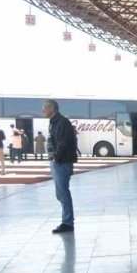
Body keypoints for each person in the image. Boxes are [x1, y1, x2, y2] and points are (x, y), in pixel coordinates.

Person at [44, 99, 78, 234]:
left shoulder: (62, 122)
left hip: (61, 161)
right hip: (58, 161)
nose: (42, 111)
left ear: (52, 108)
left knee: (62, 192)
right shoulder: (54, 122)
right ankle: (67, 220)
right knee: (61, 193)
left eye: (44, 108)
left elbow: (63, 142)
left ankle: (67, 222)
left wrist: (56, 158)